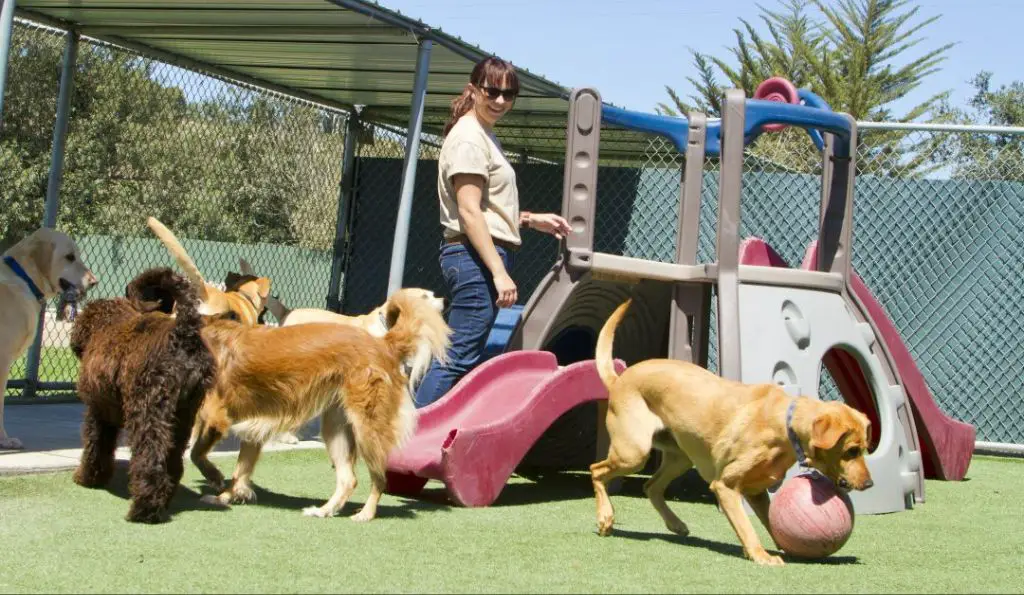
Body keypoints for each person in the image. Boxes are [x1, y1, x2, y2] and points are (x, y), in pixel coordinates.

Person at [413, 56, 572, 408]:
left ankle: (419, 441)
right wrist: (499, 273)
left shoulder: (483, 134)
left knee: (458, 357)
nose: (500, 101)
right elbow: (469, 213)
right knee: (456, 359)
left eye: (509, 94)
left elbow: (484, 210)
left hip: (476, 256)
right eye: (492, 91)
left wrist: (529, 220)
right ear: (474, 90)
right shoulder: (470, 138)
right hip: (474, 259)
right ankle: (409, 446)